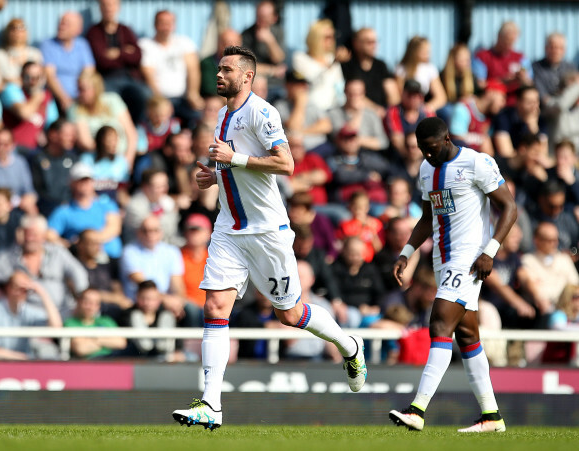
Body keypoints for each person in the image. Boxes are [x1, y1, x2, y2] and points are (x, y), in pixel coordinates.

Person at [172, 46, 366, 430]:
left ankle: (348, 345)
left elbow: (286, 164)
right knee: (214, 308)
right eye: (219, 69)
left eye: (227, 69)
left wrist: (234, 161)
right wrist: (214, 175)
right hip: (229, 228)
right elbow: (232, 162)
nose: (219, 74)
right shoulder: (223, 116)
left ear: (247, 76)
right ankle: (211, 404)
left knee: (289, 314)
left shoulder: (262, 112)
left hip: (266, 232)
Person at [390, 117, 517, 433]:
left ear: (446, 139)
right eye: (422, 150)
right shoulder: (425, 169)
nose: (427, 155)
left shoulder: (476, 163)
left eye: (431, 148)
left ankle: (418, 409)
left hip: (470, 259)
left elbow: (510, 208)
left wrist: (490, 250)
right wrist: (407, 252)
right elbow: (427, 216)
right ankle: (492, 416)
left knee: (440, 323)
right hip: (441, 261)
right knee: (467, 335)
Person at [139, 10, 204, 128]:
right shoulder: (146, 45)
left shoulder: (184, 43)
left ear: (174, 25)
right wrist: (160, 100)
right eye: (162, 23)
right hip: (159, 99)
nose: (166, 27)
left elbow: (193, 70)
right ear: (155, 25)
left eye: (169, 23)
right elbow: (149, 75)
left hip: (183, 99)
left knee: (200, 117)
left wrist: (193, 93)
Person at [48, 162, 123, 260]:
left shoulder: (106, 204)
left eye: (87, 180)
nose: (84, 184)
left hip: (112, 259)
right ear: (72, 183)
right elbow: (49, 235)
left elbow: (114, 227)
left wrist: (87, 241)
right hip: (82, 261)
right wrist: (70, 245)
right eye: (80, 180)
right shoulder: (64, 210)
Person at [0, 270, 62, 361]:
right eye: (18, 288)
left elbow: (56, 328)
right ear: (8, 288)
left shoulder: (28, 311)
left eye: (25, 289)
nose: (21, 292)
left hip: (23, 366)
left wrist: (41, 292)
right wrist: (25, 358)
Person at [40, 11, 96, 113]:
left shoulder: (82, 45)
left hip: (80, 96)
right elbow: (50, 76)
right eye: (61, 23)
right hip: (57, 99)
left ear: (78, 30)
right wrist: (64, 98)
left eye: (66, 24)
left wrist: (83, 92)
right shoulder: (48, 45)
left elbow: (89, 71)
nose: (61, 26)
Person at [0, 60, 59, 153]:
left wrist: (45, 135)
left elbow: (54, 125)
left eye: (37, 77)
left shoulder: (47, 97)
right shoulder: (12, 90)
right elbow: (24, 113)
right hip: (12, 149)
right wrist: (37, 96)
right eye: (28, 77)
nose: (33, 81)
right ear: (21, 77)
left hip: (35, 150)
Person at [341, 27, 399, 117]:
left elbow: (392, 93)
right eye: (369, 42)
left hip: (383, 114)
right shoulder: (349, 65)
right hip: (358, 113)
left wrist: (392, 112)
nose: (374, 45)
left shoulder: (381, 65)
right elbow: (355, 94)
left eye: (375, 42)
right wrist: (376, 109)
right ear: (356, 44)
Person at [473, 21, 532, 106]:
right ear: (499, 37)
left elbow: (530, 83)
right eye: (507, 40)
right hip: (493, 103)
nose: (510, 44)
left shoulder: (521, 58)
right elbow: (480, 84)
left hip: (516, 104)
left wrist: (523, 79)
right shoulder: (482, 57)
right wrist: (503, 81)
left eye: (513, 41)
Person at [0, 128, 38, 214]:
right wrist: (14, 202)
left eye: (5, 144)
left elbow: (29, 189)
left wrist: (30, 199)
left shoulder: (20, 162)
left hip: (18, 207)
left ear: (13, 145)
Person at [29, 119, 79, 217]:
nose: (72, 138)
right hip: (45, 211)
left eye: (73, 135)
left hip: (71, 210)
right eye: (68, 135)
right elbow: (37, 190)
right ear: (53, 135)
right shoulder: (37, 159)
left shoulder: (74, 159)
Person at [64, 287, 126, 359]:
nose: (90, 307)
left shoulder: (106, 321)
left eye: (95, 303)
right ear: (79, 302)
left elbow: (121, 342)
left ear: (98, 306)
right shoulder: (70, 323)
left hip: (111, 360)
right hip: (88, 364)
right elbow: (80, 349)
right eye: (87, 302)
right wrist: (107, 341)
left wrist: (94, 340)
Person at [0, 17, 43, 94]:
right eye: (13, 28)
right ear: (7, 32)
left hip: (31, 94)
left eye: (21, 28)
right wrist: (10, 84)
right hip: (8, 95)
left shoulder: (35, 54)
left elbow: (41, 81)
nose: (17, 32)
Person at [395, 36, 447, 113]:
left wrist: (428, 107)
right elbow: (399, 94)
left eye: (428, 51)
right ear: (413, 51)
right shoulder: (401, 69)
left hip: (423, 108)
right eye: (424, 51)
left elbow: (441, 97)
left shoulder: (430, 69)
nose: (427, 54)